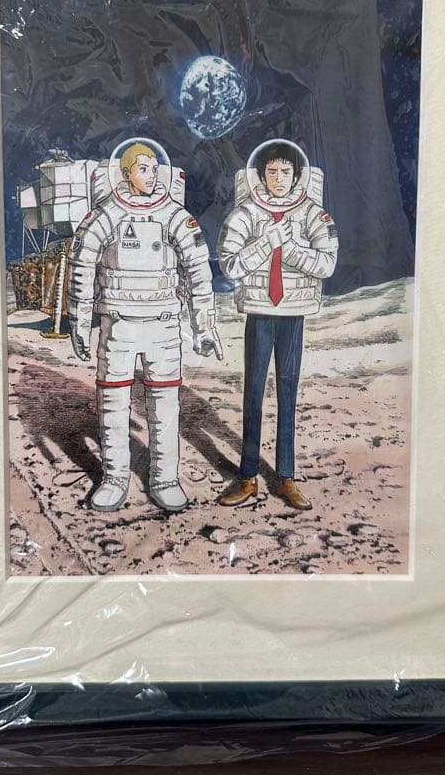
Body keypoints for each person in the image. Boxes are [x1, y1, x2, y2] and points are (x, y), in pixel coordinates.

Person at [67, 138, 223, 514]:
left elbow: (198, 269)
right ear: (126, 174)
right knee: (113, 403)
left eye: (154, 169)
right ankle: (114, 478)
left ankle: (165, 479)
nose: (150, 175)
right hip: (118, 324)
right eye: (142, 169)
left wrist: (204, 324)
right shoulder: (106, 215)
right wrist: (80, 320)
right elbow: (82, 265)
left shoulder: (174, 215)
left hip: (162, 325)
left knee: (165, 405)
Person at [217, 139, 338, 510]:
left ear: (297, 175)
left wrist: (291, 249)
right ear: (261, 175)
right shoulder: (246, 213)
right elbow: (229, 265)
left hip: (293, 315)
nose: (280, 179)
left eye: (286, 172)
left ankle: (286, 477)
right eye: (272, 172)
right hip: (259, 313)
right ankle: (248, 476)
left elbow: (327, 264)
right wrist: (266, 243)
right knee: (253, 394)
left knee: (288, 393)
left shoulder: (313, 214)